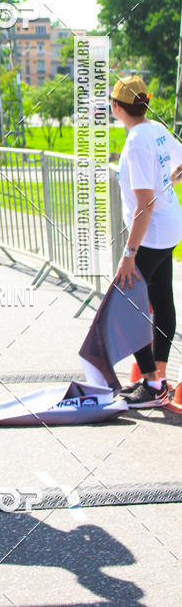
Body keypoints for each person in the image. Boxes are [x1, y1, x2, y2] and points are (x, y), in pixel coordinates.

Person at [112, 76, 182, 408]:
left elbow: (145, 204)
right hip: (170, 227)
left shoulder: (137, 142)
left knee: (124, 306)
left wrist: (129, 254)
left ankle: (152, 385)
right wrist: (169, 180)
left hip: (152, 233)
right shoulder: (156, 130)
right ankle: (160, 378)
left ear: (116, 107)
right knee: (160, 298)